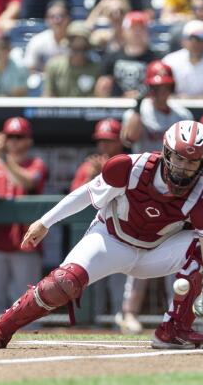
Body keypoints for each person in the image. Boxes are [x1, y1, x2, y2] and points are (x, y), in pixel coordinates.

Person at [0, 120, 203, 350]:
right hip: (111, 239)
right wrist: (45, 222)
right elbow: (84, 194)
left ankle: (174, 329)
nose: (183, 168)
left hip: (157, 250)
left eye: (192, 161)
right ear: (166, 152)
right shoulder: (130, 166)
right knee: (64, 282)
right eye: (179, 158)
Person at [118, 61, 193, 334]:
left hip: (175, 192)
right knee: (139, 251)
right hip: (143, 190)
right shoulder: (137, 112)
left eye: (165, 86)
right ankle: (128, 313)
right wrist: (138, 105)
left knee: (175, 257)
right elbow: (129, 137)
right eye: (156, 86)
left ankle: (175, 315)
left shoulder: (182, 113)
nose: (161, 91)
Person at [0, 117, 48, 315]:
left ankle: (30, 340)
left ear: (28, 140)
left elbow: (26, 182)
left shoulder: (36, 163)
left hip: (25, 242)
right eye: (10, 137)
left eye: (19, 137)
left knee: (27, 300)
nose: (14, 141)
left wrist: (2, 158)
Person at [70, 118, 127, 323]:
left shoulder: (129, 163)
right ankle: (92, 326)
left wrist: (106, 173)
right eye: (101, 141)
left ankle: (122, 323)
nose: (104, 146)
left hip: (121, 235)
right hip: (95, 233)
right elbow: (75, 198)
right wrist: (93, 176)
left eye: (109, 141)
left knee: (119, 285)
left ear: (119, 141)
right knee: (92, 283)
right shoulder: (88, 166)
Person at [94, 11, 157, 98]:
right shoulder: (111, 57)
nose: (137, 33)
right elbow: (102, 88)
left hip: (146, 107)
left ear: (147, 32)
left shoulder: (155, 60)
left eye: (141, 29)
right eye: (133, 28)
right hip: (117, 107)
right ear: (124, 31)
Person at [42, 21, 101, 97]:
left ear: (88, 48)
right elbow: (47, 94)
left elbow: (99, 98)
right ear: (68, 46)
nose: (78, 54)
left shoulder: (96, 68)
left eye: (82, 49)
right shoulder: (54, 66)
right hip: (60, 108)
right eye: (75, 49)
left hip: (87, 108)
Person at [23, 0, 71, 73]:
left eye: (61, 16)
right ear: (46, 20)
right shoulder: (38, 40)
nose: (57, 20)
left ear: (68, 18)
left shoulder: (75, 41)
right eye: (52, 16)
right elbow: (29, 68)